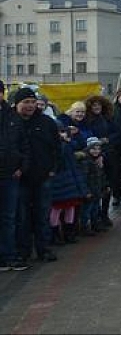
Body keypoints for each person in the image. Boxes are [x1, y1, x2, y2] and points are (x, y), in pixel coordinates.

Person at [10, 87, 62, 263]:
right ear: (16, 104)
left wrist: (53, 168)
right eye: (26, 102)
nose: (30, 106)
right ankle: (23, 250)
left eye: (33, 102)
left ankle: (43, 248)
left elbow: (56, 148)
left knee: (42, 214)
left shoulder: (46, 122)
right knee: (21, 216)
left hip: (43, 176)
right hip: (18, 178)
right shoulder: (10, 122)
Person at [0, 80, 29, 271]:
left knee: (9, 217)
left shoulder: (12, 116)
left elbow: (24, 145)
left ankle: (8, 255)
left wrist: (22, 166)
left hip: (10, 175)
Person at [48, 123, 88, 245]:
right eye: (60, 132)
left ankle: (68, 232)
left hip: (70, 179)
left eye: (64, 132)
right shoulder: (55, 146)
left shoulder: (68, 145)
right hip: (58, 181)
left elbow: (80, 145)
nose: (62, 134)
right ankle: (54, 234)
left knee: (70, 207)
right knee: (56, 208)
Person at [84, 94, 117, 228]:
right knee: (96, 187)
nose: (97, 107)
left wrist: (108, 139)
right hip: (95, 156)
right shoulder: (88, 120)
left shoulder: (108, 118)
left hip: (109, 154)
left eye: (99, 105)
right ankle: (96, 216)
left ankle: (104, 214)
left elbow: (117, 132)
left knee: (108, 186)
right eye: (94, 105)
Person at [77, 137, 109, 235]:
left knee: (95, 208)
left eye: (98, 149)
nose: (96, 151)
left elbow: (102, 175)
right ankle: (84, 227)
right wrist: (86, 191)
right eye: (94, 149)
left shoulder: (98, 160)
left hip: (96, 190)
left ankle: (95, 225)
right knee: (86, 210)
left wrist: (105, 186)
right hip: (89, 191)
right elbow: (83, 178)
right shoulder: (86, 161)